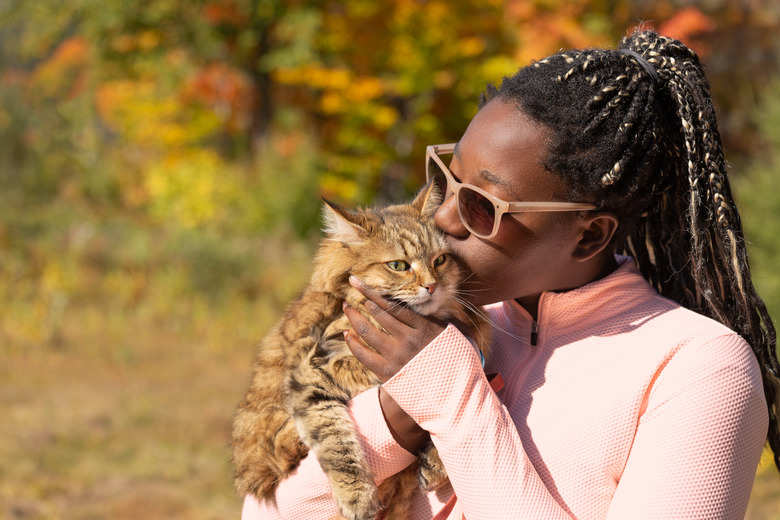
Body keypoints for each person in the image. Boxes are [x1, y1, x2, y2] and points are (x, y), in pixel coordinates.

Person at [241, 29, 780, 519]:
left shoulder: (698, 368)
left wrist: (452, 394)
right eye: (447, 183)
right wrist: (389, 421)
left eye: (482, 207)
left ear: (588, 235)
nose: (444, 221)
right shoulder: (435, 326)